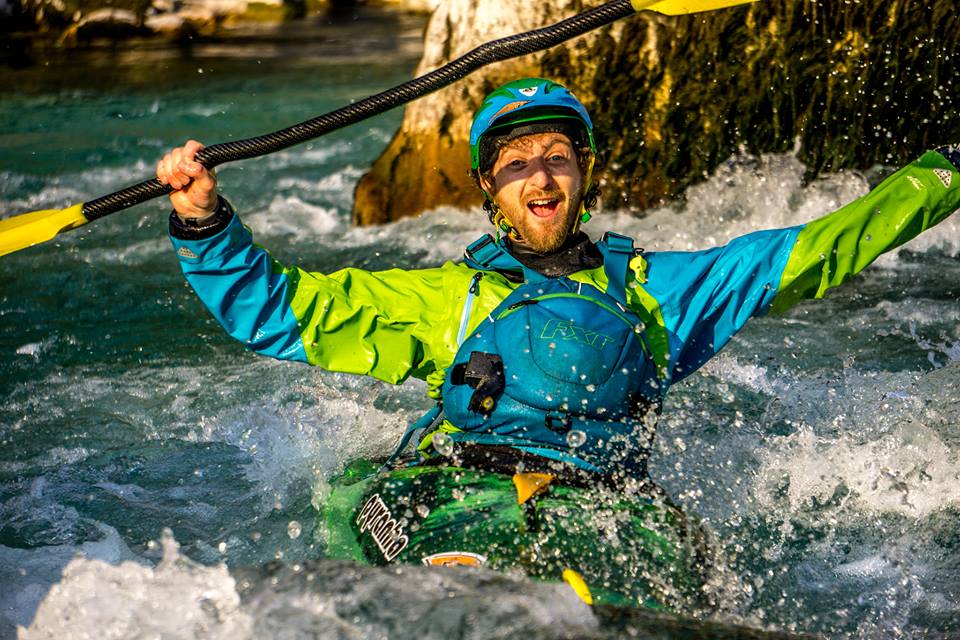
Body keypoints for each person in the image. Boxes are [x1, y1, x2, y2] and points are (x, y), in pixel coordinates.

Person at [157, 78, 960, 609]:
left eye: (556, 159)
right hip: (453, 491)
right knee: (472, 590)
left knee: (614, 588)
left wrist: (945, 174)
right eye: (515, 165)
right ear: (488, 188)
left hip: (605, 505)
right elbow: (275, 310)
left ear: (584, 171)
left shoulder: (657, 291)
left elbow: (821, 247)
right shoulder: (446, 298)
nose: (539, 179)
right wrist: (202, 219)